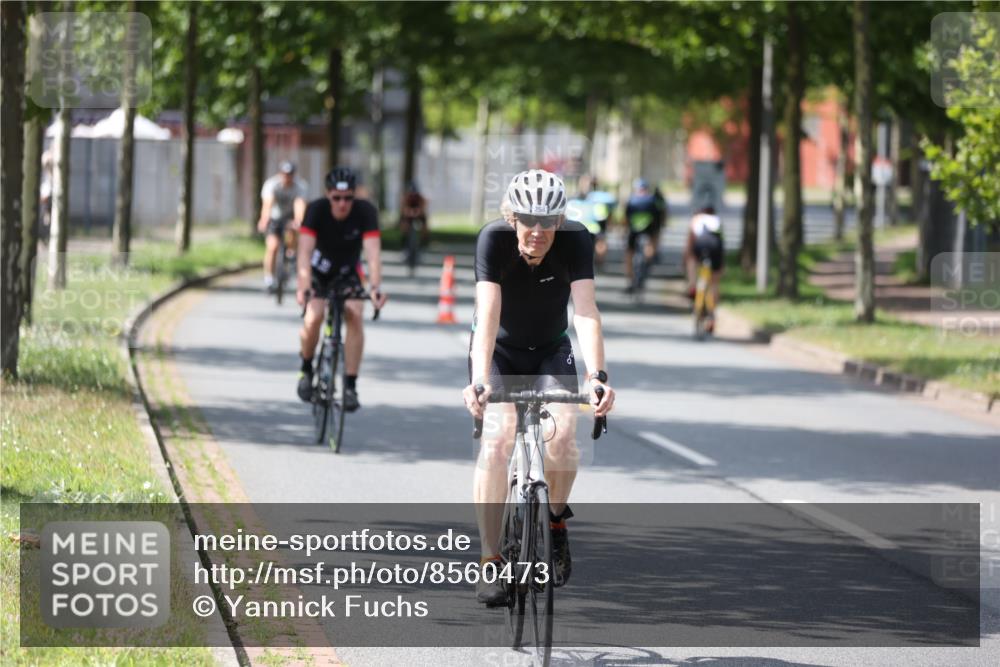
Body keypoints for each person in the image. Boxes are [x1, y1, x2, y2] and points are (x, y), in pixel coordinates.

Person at [462, 169, 616, 606]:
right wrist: (478, 380)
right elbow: (487, 313)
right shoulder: (492, 240)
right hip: (500, 353)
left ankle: (553, 522)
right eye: (528, 220)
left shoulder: (576, 240)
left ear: (561, 220)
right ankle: (490, 560)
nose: (538, 231)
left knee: (564, 436)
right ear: (511, 218)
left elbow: (585, 311)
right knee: (497, 440)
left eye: (548, 221)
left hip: (550, 350)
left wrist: (597, 377)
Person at [296, 167, 388, 411]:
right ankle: (306, 370)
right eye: (337, 198)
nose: (342, 204)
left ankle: (350, 385)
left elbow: (373, 254)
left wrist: (375, 287)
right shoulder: (315, 210)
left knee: (355, 314)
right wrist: (303, 285)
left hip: (348, 273)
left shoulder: (365, 211)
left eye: (348, 198)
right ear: (328, 195)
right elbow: (304, 252)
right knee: (314, 316)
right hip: (319, 272)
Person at [258, 161, 308, 292]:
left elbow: (300, 205)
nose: (287, 177)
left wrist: (298, 221)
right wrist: (264, 220)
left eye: (290, 175)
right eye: (285, 174)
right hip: (275, 217)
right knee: (272, 247)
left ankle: (291, 254)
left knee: (294, 231)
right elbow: (267, 204)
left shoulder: (300, 186)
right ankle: (269, 278)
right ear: (280, 174)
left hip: (290, 217)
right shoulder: (272, 185)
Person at [684, 206, 725, 331]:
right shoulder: (717, 220)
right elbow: (721, 242)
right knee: (714, 283)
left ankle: (692, 286)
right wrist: (721, 266)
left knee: (692, 261)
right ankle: (712, 316)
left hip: (701, 243)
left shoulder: (696, 219)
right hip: (716, 246)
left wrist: (687, 261)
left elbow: (689, 245)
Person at [623, 178, 662, 292]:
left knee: (629, 252)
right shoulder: (653, 199)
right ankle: (648, 262)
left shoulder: (631, 199)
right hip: (650, 228)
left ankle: (630, 280)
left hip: (634, 230)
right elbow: (660, 216)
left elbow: (626, 218)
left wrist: (623, 231)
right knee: (651, 243)